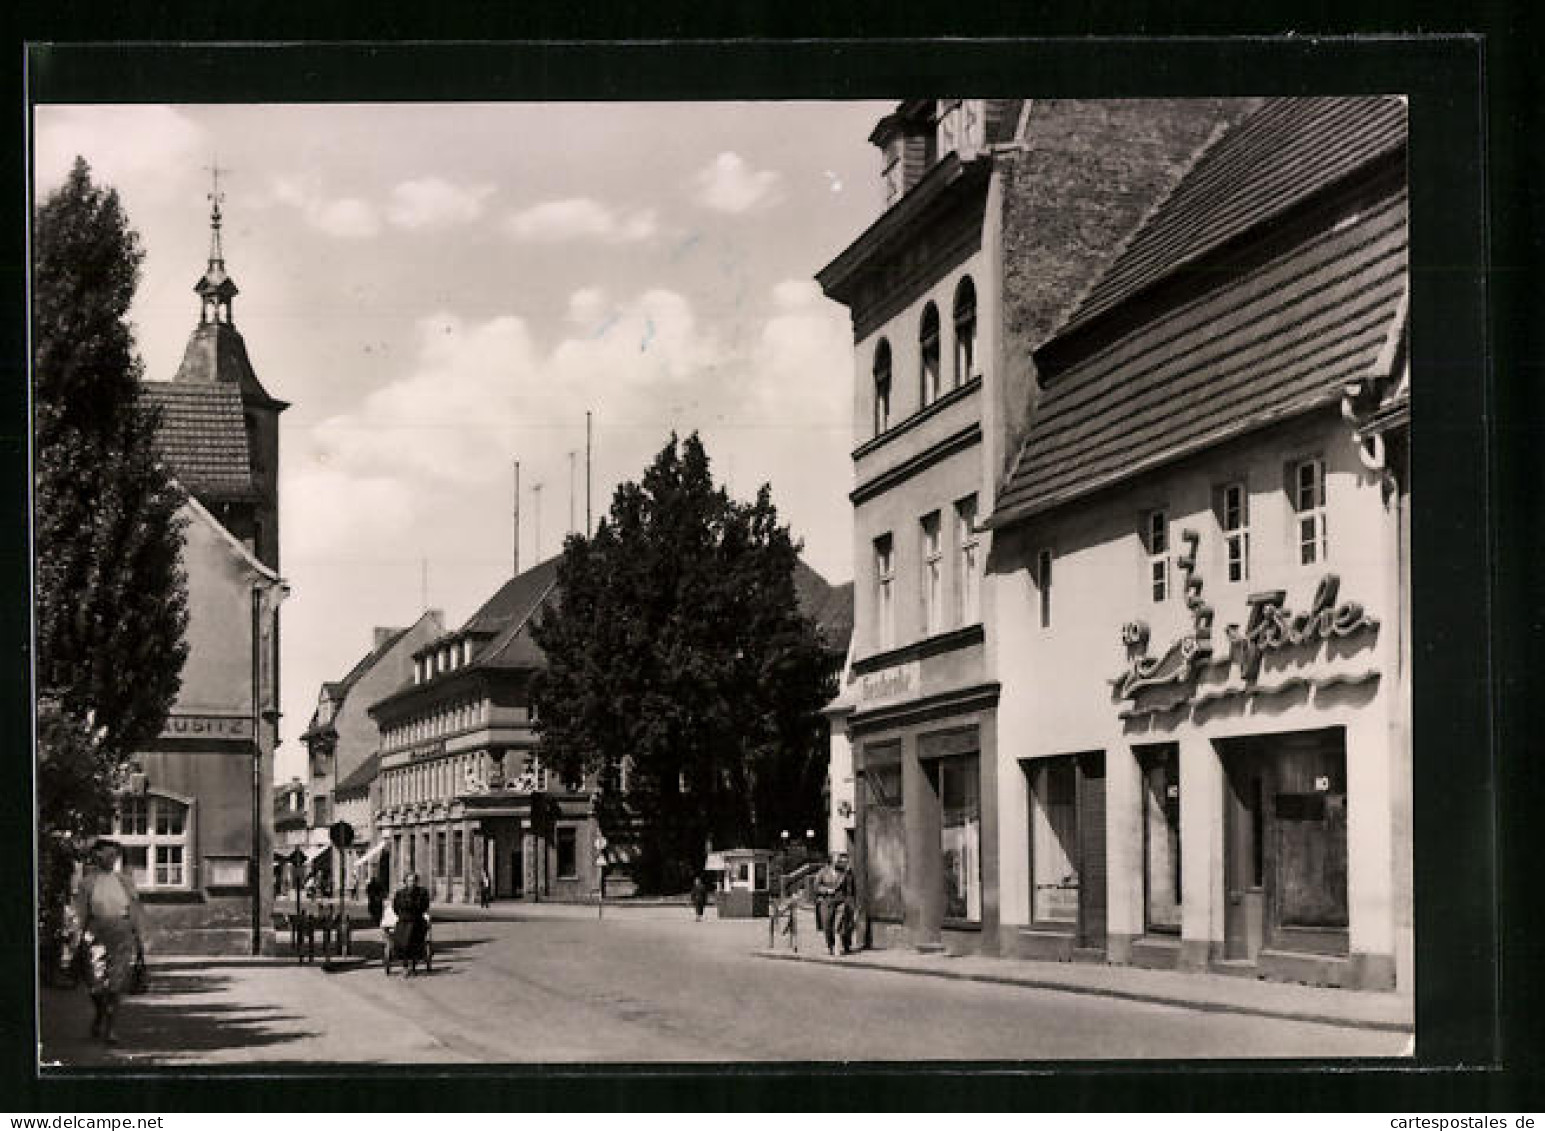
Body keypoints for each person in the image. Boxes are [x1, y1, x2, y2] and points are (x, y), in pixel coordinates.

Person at [69, 838, 146, 1044]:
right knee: (95, 983)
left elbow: (135, 910)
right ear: (96, 857)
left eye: (114, 855)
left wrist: (139, 937)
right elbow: (80, 913)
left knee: (116, 983)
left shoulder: (126, 882)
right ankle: (100, 1014)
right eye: (106, 855)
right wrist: (76, 940)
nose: (111, 859)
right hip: (95, 933)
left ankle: (110, 1030)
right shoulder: (87, 883)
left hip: (121, 932)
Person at [814, 851, 856, 956]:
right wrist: (827, 890)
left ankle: (843, 945)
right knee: (827, 925)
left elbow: (849, 888)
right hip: (826, 901)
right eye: (837, 859)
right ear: (832, 861)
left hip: (841, 901)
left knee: (841, 924)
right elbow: (816, 887)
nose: (839, 861)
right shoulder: (822, 872)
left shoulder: (844, 873)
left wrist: (850, 901)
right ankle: (831, 946)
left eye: (840, 859)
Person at [390, 871, 432, 977]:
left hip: (417, 921)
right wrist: (402, 914)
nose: (411, 883)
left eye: (413, 881)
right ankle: (405, 966)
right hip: (403, 921)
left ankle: (412, 966)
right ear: (405, 882)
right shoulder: (400, 893)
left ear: (416, 882)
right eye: (409, 881)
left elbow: (425, 906)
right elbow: (395, 907)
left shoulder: (422, 892)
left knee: (414, 943)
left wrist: (415, 910)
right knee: (402, 944)